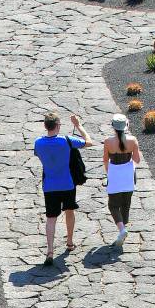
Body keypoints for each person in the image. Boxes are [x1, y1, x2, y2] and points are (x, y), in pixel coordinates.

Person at [34, 111, 93, 264]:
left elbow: (40, 156)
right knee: (69, 211)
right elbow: (89, 142)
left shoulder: (38, 143)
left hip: (50, 185)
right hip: (67, 183)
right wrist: (78, 125)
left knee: (51, 219)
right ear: (58, 125)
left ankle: (50, 251)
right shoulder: (66, 140)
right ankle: (70, 242)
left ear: (45, 126)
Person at [102, 113, 140, 247]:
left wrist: (109, 174)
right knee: (126, 204)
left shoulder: (108, 141)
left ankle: (122, 230)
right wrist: (129, 168)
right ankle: (123, 230)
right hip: (128, 175)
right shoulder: (133, 140)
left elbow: (106, 160)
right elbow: (137, 160)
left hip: (114, 174)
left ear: (113, 126)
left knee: (113, 205)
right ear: (126, 126)